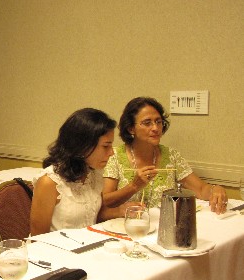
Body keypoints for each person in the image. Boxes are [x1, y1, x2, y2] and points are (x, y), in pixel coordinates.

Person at [103, 97, 228, 214]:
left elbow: (200, 189)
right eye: (147, 123)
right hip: (125, 227)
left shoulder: (171, 156)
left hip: (163, 225)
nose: (156, 128)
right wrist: (134, 186)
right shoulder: (114, 156)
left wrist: (215, 189)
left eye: (158, 122)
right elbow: (105, 201)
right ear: (131, 129)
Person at [30, 108, 139, 236]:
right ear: (83, 145)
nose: (111, 152)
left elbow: (94, 217)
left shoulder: (93, 174)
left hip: (87, 247)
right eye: (106, 146)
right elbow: (38, 238)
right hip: (57, 252)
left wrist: (121, 210)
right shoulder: (49, 182)